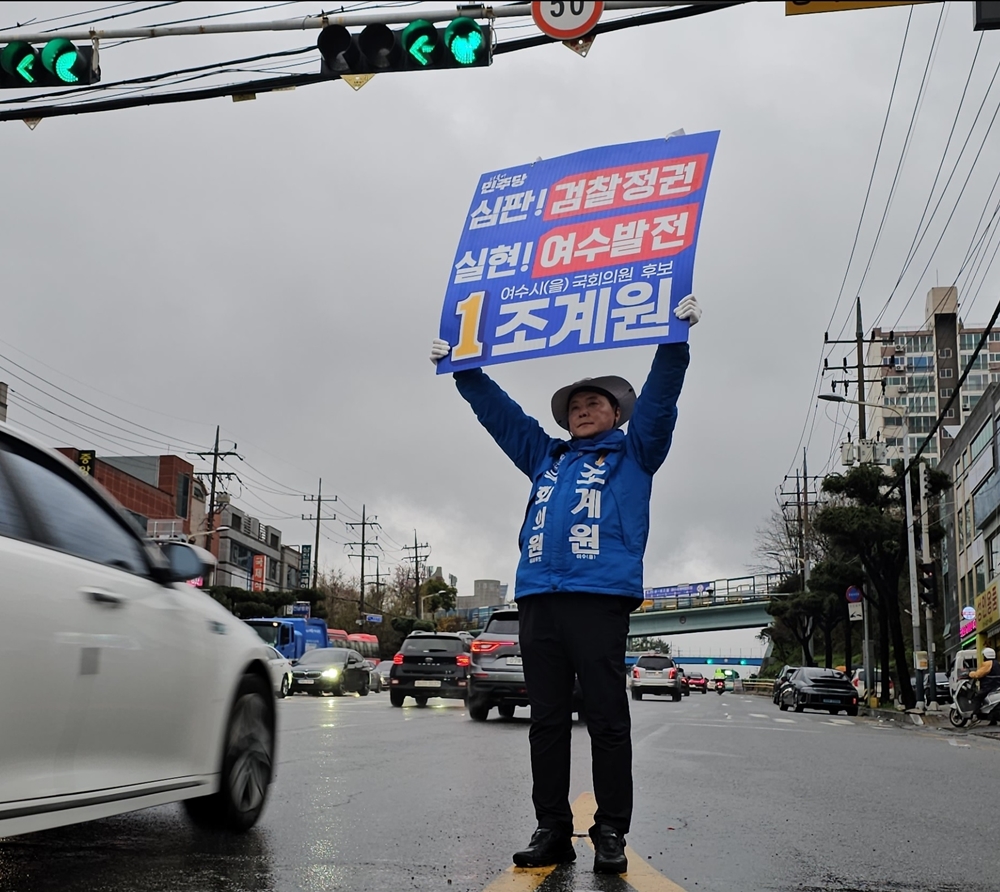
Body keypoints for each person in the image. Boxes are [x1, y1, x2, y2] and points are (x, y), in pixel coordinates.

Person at [429, 294, 701, 874]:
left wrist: (674, 339)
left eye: (594, 401)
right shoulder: (545, 457)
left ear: (615, 413)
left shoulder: (636, 453)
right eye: (575, 403)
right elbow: (499, 416)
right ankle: (551, 826)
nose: (582, 408)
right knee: (547, 720)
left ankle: (610, 833)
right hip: (539, 600)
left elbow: (660, 403)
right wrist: (464, 369)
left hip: (599, 600)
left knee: (606, 718)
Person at [969, 646, 1000, 724]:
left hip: (988, 686)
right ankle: (993, 720)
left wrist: (970, 674)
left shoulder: (987, 664)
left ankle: (975, 715)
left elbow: (978, 674)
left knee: (977, 698)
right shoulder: (996, 663)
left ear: (986, 655)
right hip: (996, 686)